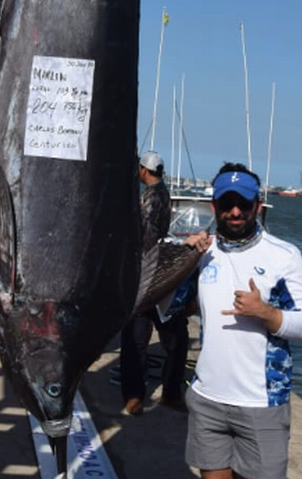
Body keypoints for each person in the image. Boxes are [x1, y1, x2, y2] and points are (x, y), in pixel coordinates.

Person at [182, 163, 302, 479]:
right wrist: (180, 260)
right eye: (227, 204)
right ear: (214, 206)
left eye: (244, 204)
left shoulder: (284, 255)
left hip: (261, 404)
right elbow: (167, 308)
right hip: (207, 399)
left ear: (257, 204)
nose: (235, 212)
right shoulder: (202, 252)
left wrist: (265, 312)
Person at [119, 150, 190, 415]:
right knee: (175, 338)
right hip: (160, 275)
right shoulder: (164, 192)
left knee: (136, 338)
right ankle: (169, 393)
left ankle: (135, 395)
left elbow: (145, 237)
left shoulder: (149, 197)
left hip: (145, 277)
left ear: (143, 170)